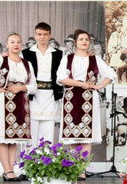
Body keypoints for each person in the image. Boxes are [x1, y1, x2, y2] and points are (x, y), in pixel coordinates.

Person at [0, 33, 37, 180]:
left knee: (13, 137)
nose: (15, 44)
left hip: (21, 102)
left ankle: (11, 169)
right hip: (4, 101)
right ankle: (7, 170)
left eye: (18, 42)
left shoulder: (27, 64)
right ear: (7, 45)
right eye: (12, 42)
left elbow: (34, 86)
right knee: (2, 137)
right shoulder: (1, 59)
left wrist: (22, 88)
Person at [57, 29, 116, 162]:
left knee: (86, 136)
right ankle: (75, 167)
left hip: (89, 99)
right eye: (81, 39)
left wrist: (99, 86)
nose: (84, 42)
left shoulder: (95, 59)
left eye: (86, 39)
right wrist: (80, 84)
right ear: (75, 42)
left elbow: (111, 74)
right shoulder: (67, 58)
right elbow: (61, 78)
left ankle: (82, 168)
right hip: (71, 98)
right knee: (73, 136)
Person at [23, 22, 63, 144]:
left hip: (50, 95)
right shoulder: (26, 53)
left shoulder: (58, 53)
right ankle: (29, 155)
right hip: (33, 95)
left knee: (48, 130)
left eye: (45, 34)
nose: (42, 37)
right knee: (31, 129)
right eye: (39, 34)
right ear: (35, 35)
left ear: (50, 35)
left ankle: (46, 155)